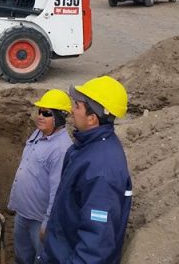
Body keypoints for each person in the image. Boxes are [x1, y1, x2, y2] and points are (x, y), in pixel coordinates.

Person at [39, 76, 133, 264]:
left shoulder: (102, 171)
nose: (72, 110)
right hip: (59, 251)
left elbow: (95, 246)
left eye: (78, 106)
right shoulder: (85, 148)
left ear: (92, 119)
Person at [7, 90, 73, 264]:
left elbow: (57, 190)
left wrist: (47, 223)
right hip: (23, 213)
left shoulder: (61, 149)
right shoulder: (37, 134)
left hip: (39, 219)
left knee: (41, 258)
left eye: (47, 113)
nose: (40, 116)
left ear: (59, 117)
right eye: (39, 111)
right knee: (22, 256)